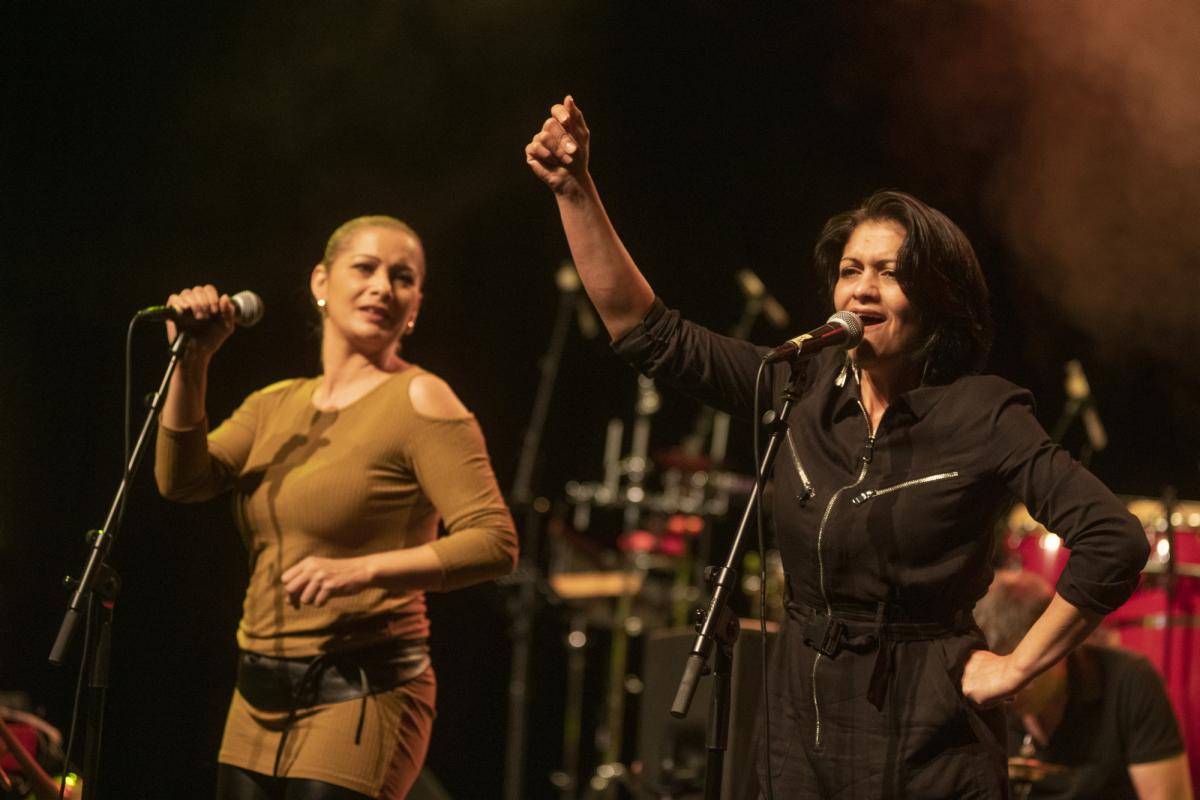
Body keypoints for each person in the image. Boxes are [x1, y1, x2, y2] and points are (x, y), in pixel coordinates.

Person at [525, 96, 1150, 798]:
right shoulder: (798, 384)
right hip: (800, 725)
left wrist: (1015, 667)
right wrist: (575, 191)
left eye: (890, 272)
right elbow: (649, 334)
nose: (862, 291)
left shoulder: (984, 413)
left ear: (938, 300)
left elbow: (1114, 540)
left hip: (929, 736)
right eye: (851, 270)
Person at [153, 216, 518, 799]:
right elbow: (181, 481)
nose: (383, 288)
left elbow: (494, 542)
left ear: (415, 306)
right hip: (256, 694)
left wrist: (360, 570)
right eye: (365, 268)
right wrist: (192, 361)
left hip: (362, 691)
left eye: (402, 278)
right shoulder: (275, 404)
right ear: (321, 282)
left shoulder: (421, 397)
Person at [975, 569, 1192, 800]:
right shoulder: (981, 690)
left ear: (1056, 648)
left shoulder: (1130, 680)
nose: (1006, 693)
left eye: (1019, 673)